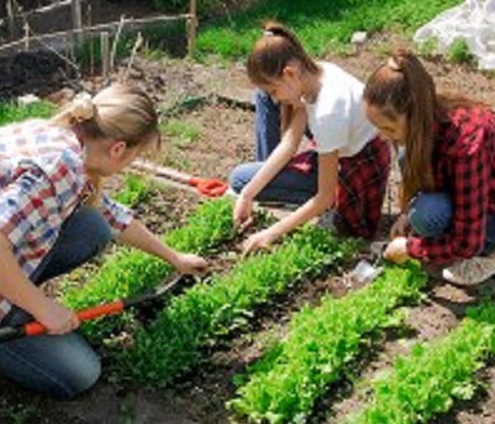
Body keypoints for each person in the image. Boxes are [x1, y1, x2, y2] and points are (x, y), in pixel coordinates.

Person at [0, 83, 208, 398]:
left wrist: (174, 258)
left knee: (92, 225)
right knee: (81, 373)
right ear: (117, 149)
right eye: (135, 156)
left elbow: (109, 214)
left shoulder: (62, 136)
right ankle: (14, 314)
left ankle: (18, 292)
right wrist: (42, 308)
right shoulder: (59, 169)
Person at [228, 21, 391, 253]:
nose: (275, 100)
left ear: (290, 73)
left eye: (274, 91)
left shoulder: (328, 112)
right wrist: (247, 196)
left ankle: (331, 210)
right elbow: (289, 143)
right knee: (244, 183)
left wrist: (270, 233)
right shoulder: (315, 74)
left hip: (357, 171)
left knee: (239, 178)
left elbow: (324, 196)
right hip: (345, 155)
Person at [363, 49, 495, 286]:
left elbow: (467, 241)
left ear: (416, 116)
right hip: (472, 197)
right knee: (420, 208)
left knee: (427, 216)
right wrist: (405, 215)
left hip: (489, 205)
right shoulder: (425, 122)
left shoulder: (468, 142)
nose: (383, 137)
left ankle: (489, 252)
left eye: (389, 129)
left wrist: (410, 248)